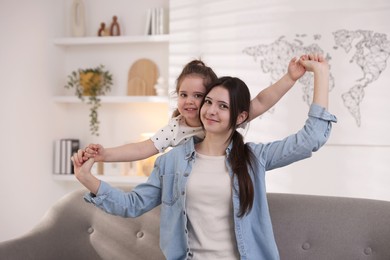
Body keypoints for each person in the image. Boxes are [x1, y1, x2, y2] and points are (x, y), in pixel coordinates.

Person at [72, 53, 337, 259]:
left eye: (222, 106)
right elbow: (132, 204)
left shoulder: (253, 158)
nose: (210, 110)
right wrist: (87, 178)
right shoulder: (171, 161)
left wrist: (320, 74)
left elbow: (309, 139)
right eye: (208, 101)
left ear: (240, 117)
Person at [82, 57, 305, 163]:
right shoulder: (175, 129)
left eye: (198, 96)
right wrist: (105, 154)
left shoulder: (222, 118)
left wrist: (290, 77)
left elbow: (262, 101)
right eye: (183, 95)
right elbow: (142, 149)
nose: (189, 101)